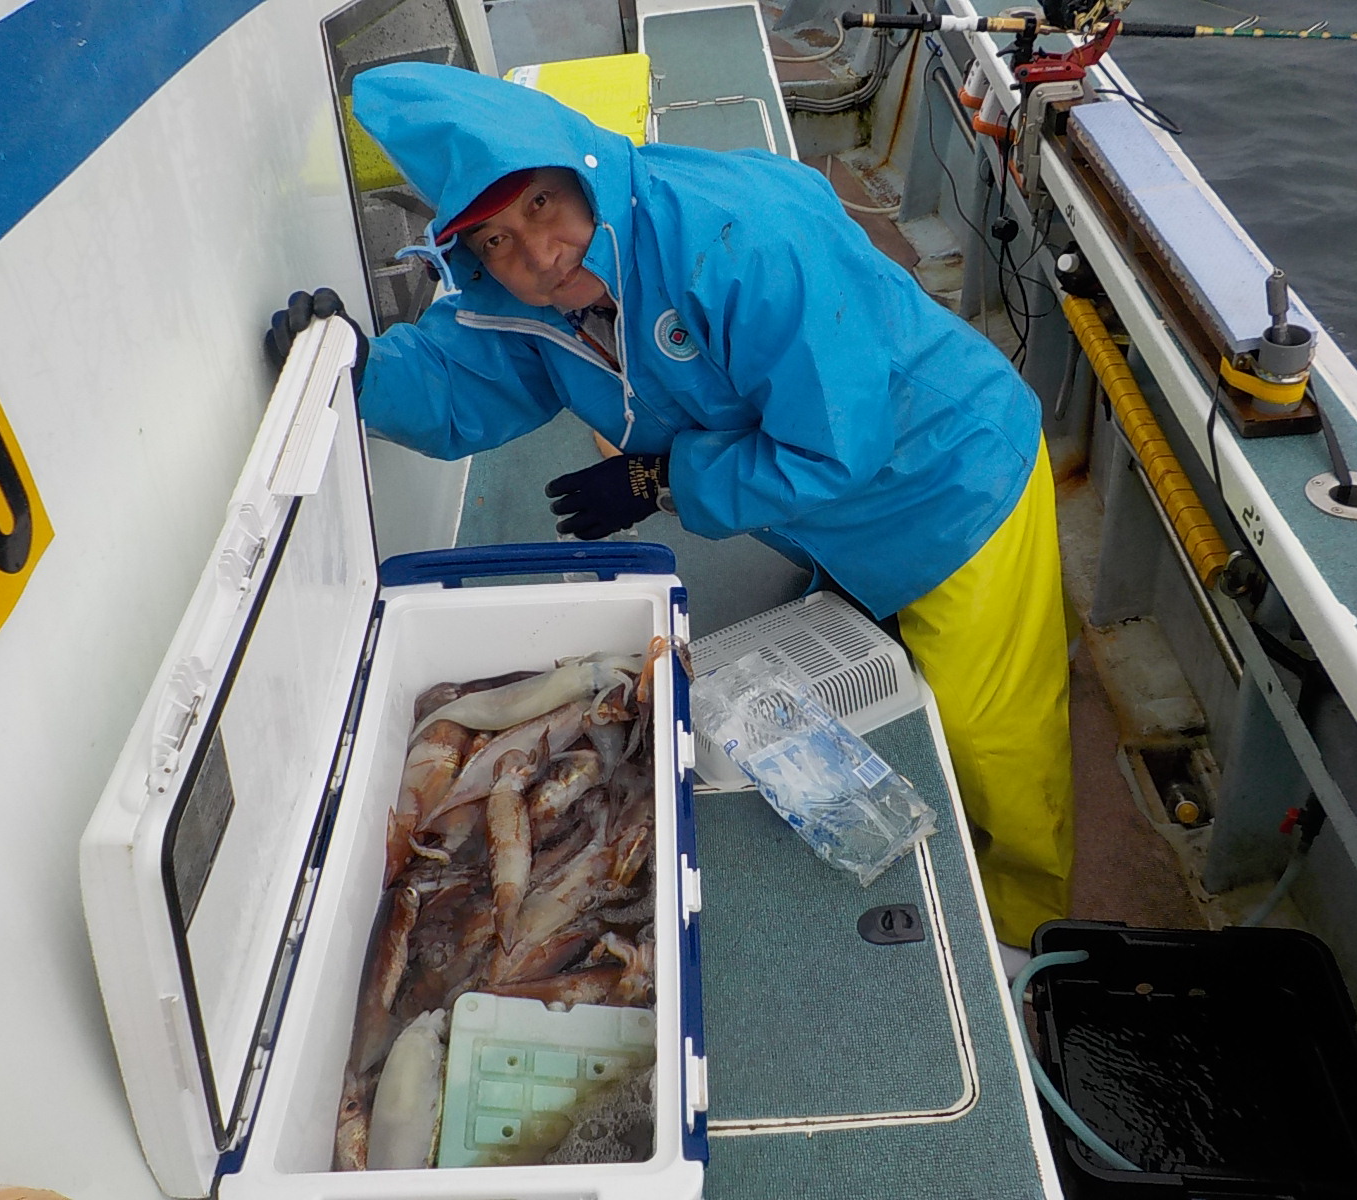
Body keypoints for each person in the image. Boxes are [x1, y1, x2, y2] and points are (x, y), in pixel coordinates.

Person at [266, 62, 1073, 951]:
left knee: (994, 743)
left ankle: (1029, 929)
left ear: (580, 170)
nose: (537, 254)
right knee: (878, 666)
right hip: (828, 520)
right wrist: (362, 371)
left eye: (540, 204)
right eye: (494, 240)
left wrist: (660, 480)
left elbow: (836, 443)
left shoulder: (739, 240)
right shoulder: (539, 302)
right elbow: (467, 380)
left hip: (949, 482)